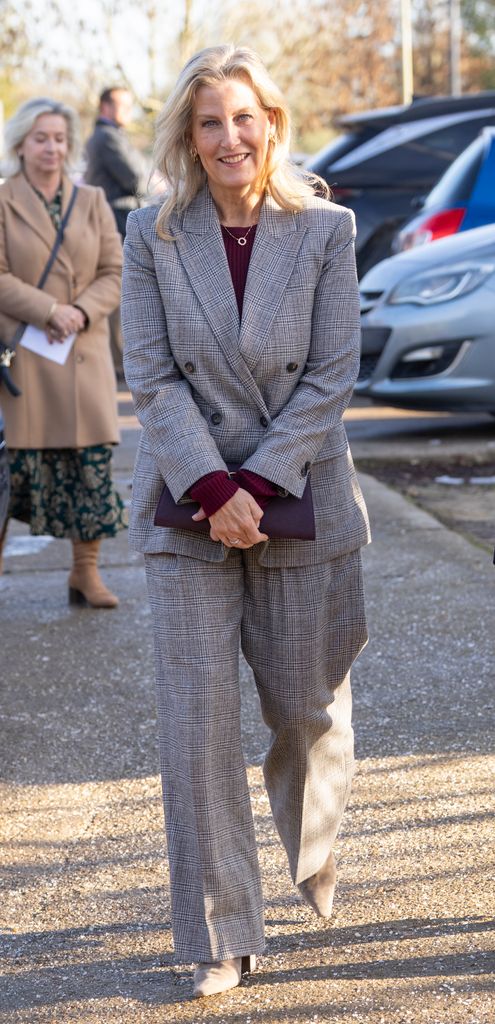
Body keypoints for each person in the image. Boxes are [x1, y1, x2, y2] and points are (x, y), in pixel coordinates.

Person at [121, 45, 370, 998]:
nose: (229, 137)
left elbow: (330, 376)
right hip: (187, 510)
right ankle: (221, 932)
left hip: (301, 492)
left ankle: (313, 843)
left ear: (270, 121)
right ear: (189, 136)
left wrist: (256, 485)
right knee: (196, 725)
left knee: (303, 712)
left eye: (243, 117)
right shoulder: (154, 234)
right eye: (209, 122)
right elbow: (153, 373)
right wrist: (212, 491)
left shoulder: (325, 230)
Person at [0, 97, 126, 607]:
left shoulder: (92, 200)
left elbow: (114, 272)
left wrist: (80, 311)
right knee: (13, 479)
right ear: (21, 145)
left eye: (58, 138)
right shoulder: (2, 200)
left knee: (90, 473)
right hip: (27, 356)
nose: (51, 148)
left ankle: (85, 573)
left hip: (82, 355)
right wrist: (50, 309)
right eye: (40, 138)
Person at [85, 87, 146, 380]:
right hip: (114, 224)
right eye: (124, 106)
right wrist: (150, 181)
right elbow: (137, 176)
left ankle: (120, 360)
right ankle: (120, 362)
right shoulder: (107, 138)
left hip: (117, 221)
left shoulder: (112, 136)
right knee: (119, 292)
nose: (129, 112)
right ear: (105, 108)